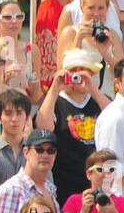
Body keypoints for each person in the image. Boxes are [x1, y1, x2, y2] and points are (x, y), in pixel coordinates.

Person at [35, 47, 107, 202]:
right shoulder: (55, 102)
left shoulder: (100, 99)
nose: (78, 76)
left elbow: (117, 118)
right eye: (73, 71)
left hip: (99, 180)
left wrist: (93, 90)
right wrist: (54, 88)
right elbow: (43, 128)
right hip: (65, 182)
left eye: (84, 71)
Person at [0, 129, 58, 213]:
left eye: (50, 150)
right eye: (39, 149)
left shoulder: (50, 189)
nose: (45, 155)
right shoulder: (11, 190)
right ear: (26, 152)